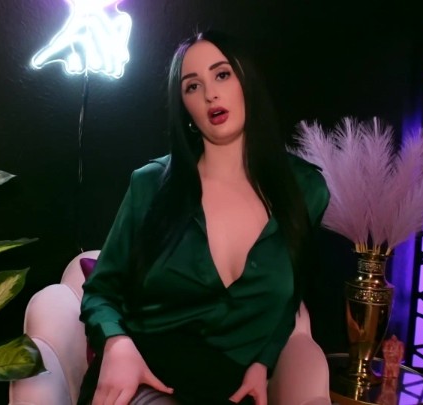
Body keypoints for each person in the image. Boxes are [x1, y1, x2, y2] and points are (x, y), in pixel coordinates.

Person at [77, 30, 330, 405]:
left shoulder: (306, 190)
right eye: (192, 86)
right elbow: (100, 292)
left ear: (247, 82)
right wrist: (117, 345)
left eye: (222, 75)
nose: (210, 94)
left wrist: (262, 361)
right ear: (185, 108)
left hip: (227, 389)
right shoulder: (150, 185)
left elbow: (291, 294)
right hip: (142, 375)